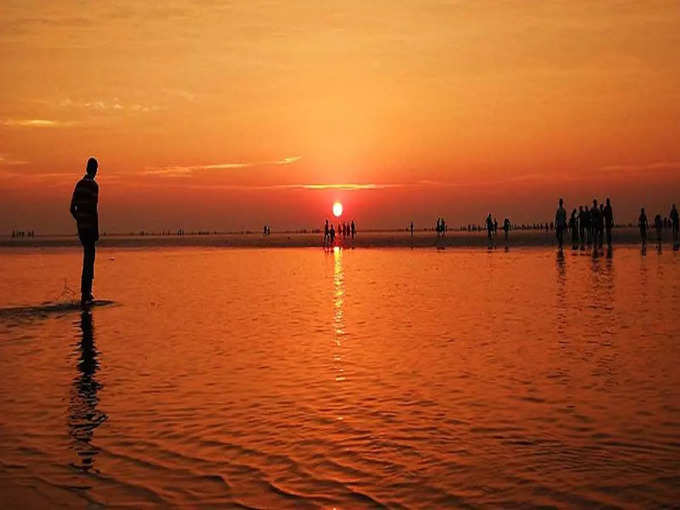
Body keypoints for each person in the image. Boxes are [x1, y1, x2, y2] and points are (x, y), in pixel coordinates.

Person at [70, 157, 100, 306]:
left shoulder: (79, 184)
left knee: (87, 258)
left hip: (81, 229)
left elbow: (71, 208)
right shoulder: (93, 186)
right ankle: (86, 292)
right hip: (89, 228)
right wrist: (95, 229)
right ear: (94, 170)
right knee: (90, 259)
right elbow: (94, 210)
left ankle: (85, 292)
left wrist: (80, 221)